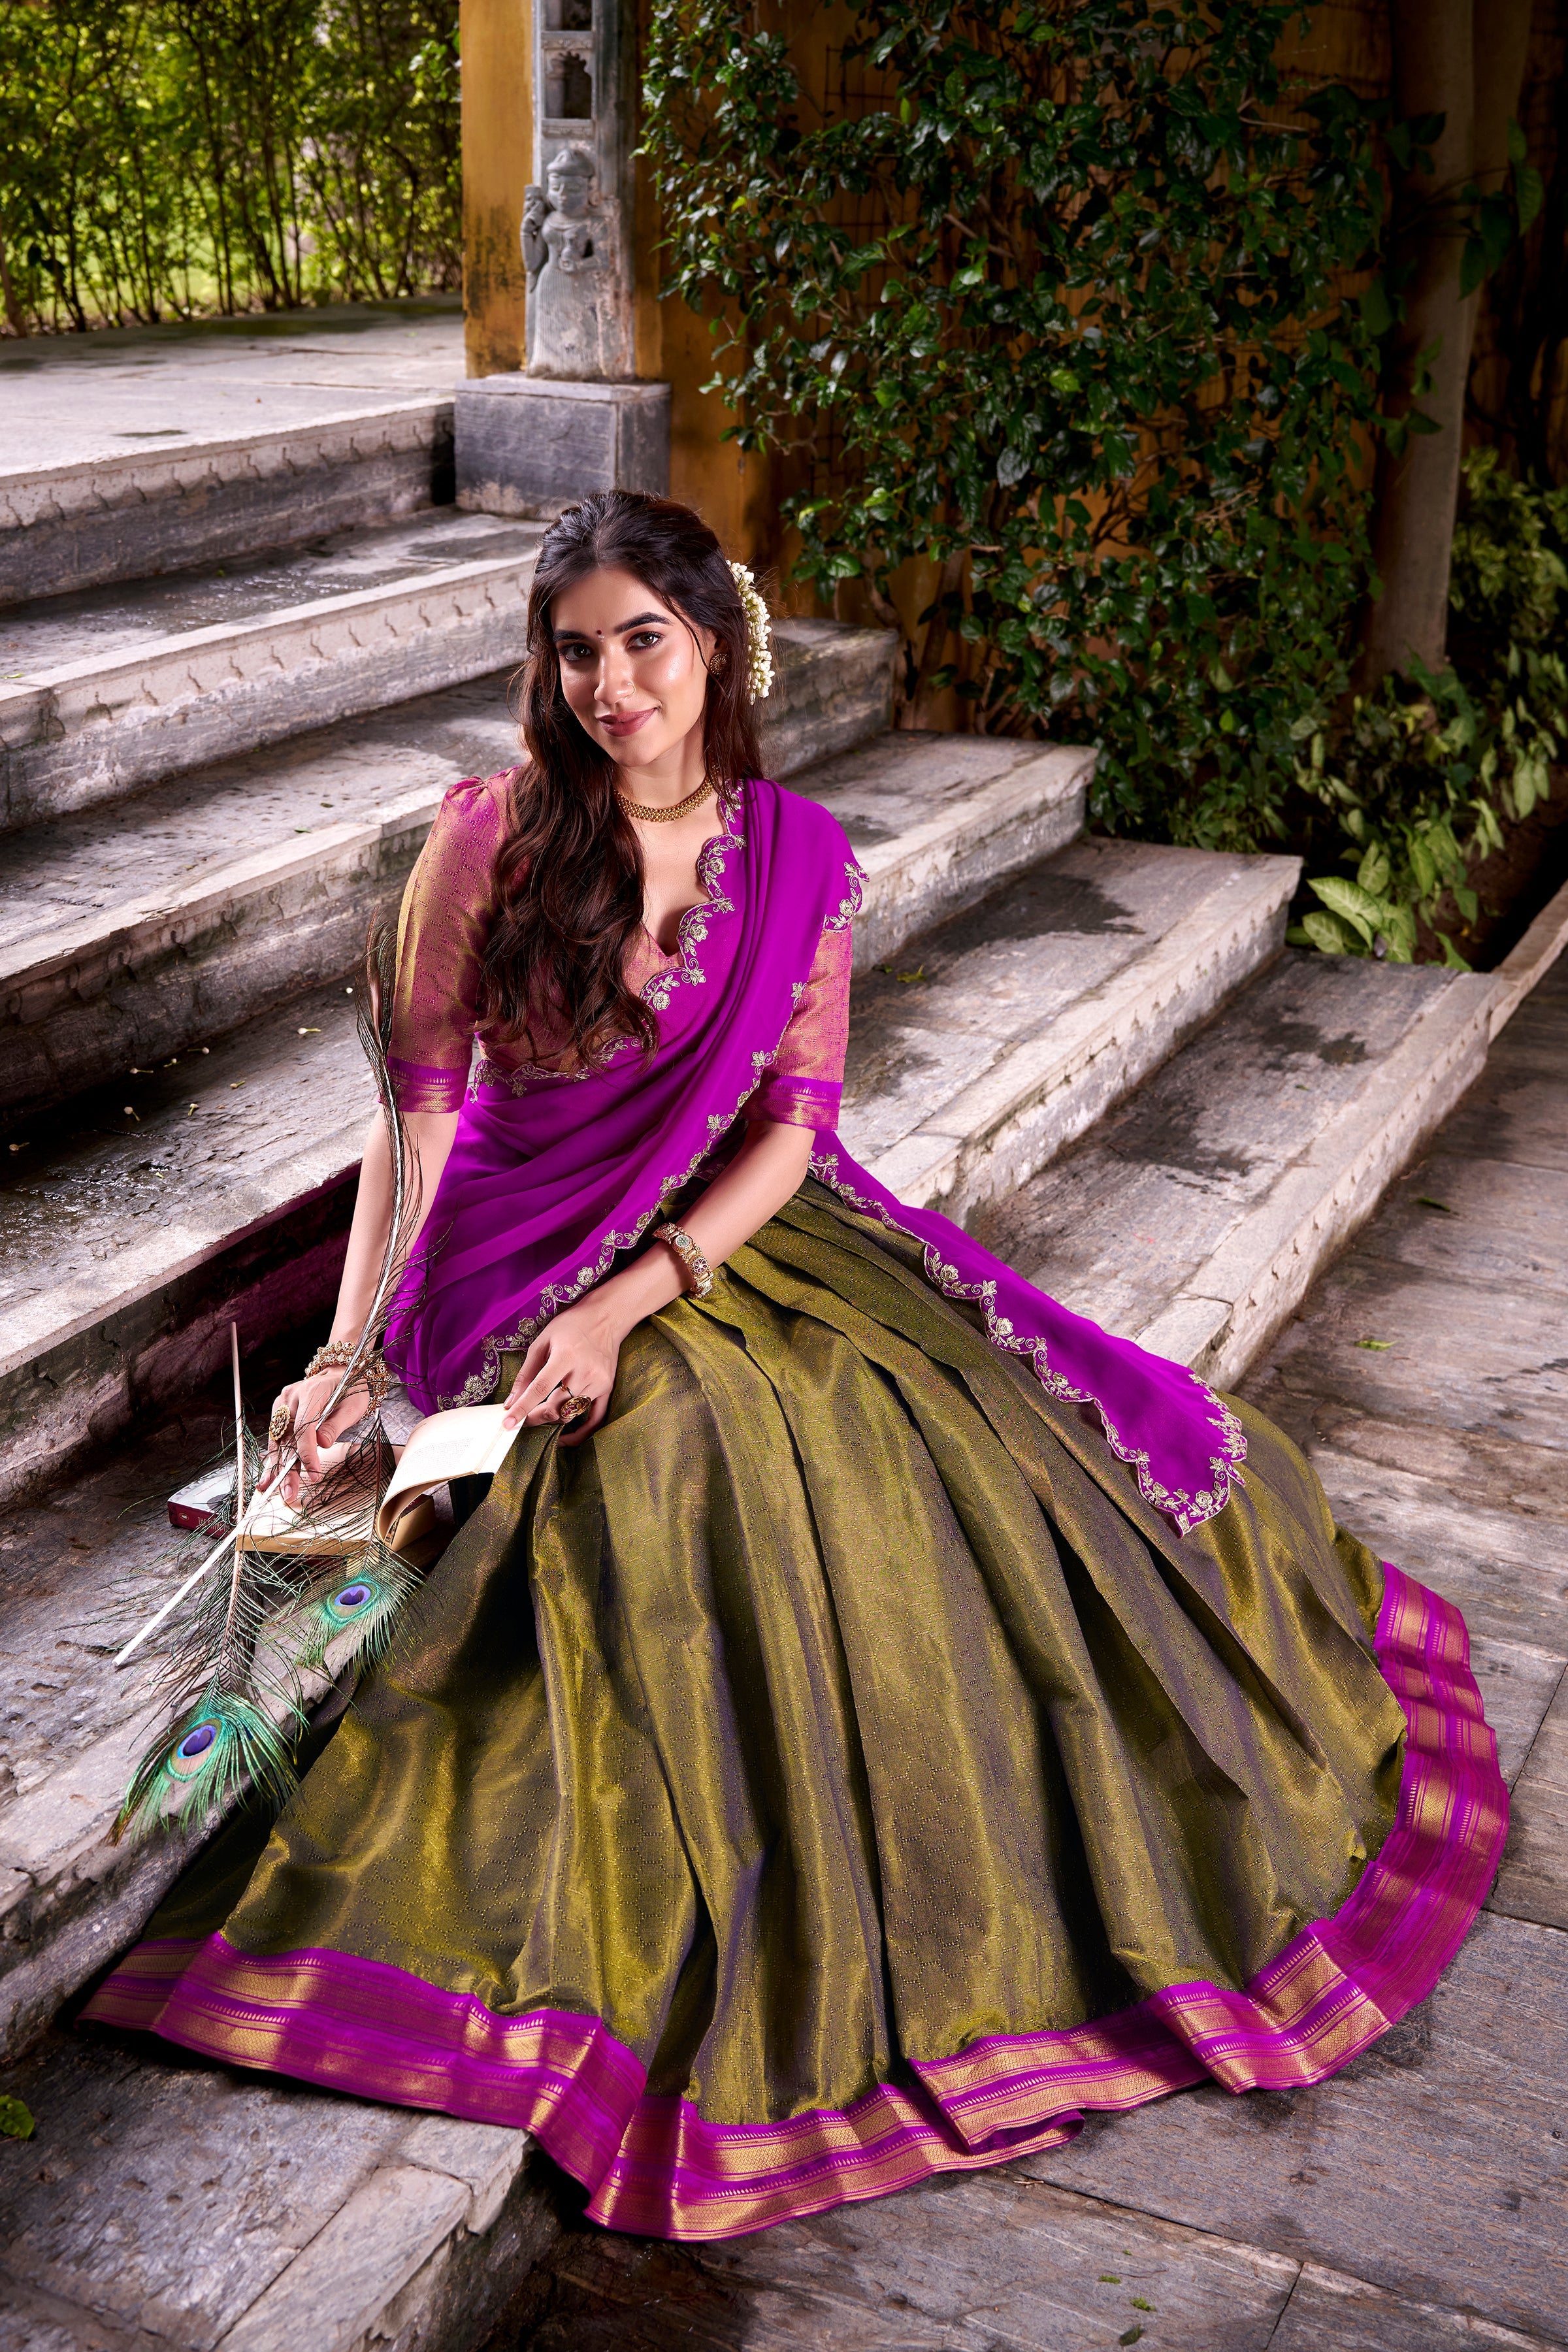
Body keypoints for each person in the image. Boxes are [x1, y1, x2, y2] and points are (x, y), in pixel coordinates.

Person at [86, 492, 1507, 2244]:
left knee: (952, 1413)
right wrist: (352, 1354)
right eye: (576, 652)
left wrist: (642, 1294)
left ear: (713, 646)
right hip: (507, 1254)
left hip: (704, 1232)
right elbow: (415, 1118)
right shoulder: (490, 838)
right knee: (690, 1443)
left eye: (645, 643)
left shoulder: (799, 860)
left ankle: (1002, 1850)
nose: (613, 686)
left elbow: (788, 1131)